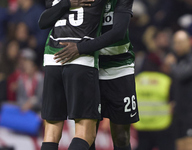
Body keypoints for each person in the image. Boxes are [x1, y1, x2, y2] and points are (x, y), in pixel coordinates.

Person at [54, 0, 138, 150]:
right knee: (88, 132)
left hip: (119, 68)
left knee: (121, 135)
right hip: (90, 67)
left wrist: (81, 48)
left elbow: (118, 33)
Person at [38, 0, 106, 150]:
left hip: (52, 61)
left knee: (51, 133)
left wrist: (66, 3)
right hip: (80, 60)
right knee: (85, 134)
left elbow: (42, 22)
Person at [164, 30, 192, 150]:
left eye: (180, 42)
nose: (177, 45)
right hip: (179, 112)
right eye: (175, 42)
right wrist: (171, 100)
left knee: (190, 144)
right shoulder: (178, 61)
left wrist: (172, 65)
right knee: (179, 145)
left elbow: (180, 75)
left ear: (188, 42)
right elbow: (174, 83)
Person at [134, 55, 175, 150]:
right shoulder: (165, 80)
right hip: (162, 125)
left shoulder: (136, 80)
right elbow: (173, 102)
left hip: (141, 125)